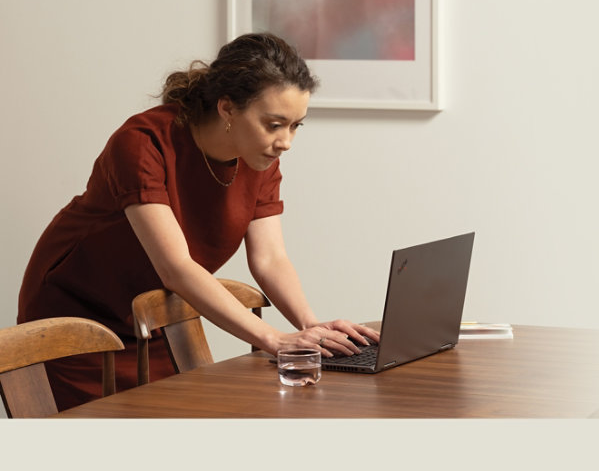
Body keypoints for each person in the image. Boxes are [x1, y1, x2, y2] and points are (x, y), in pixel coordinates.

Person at [17, 33, 379, 411]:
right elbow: (175, 267)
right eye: (274, 124)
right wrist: (272, 338)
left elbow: (270, 259)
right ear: (227, 109)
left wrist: (310, 326)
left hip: (151, 322)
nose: (285, 141)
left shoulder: (259, 158)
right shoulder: (143, 143)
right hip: (76, 323)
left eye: (295, 126)